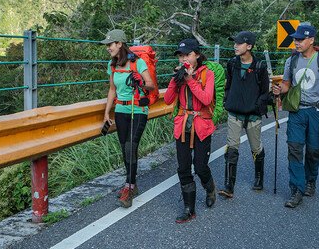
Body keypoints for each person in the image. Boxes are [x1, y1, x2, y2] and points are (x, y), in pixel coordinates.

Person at [272, 23, 319, 208]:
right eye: (295, 39)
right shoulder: (291, 61)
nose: (296, 42)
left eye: (301, 39)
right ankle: (297, 190)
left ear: (311, 40)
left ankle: (311, 180)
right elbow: (287, 84)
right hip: (297, 111)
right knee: (294, 149)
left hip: (316, 111)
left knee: (313, 150)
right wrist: (279, 89)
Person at [164, 38, 218, 223]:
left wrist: (190, 80)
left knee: (201, 166)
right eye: (180, 55)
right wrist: (175, 80)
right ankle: (189, 208)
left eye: (187, 54)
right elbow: (168, 100)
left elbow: (206, 98)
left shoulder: (207, 74)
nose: (183, 58)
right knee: (183, 167)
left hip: (201, 125)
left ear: (197, 55)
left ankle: (210, 188)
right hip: (183, 125)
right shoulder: (179, 74)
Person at [102, 29, 156, 208]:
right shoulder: (112, 65)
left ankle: (129, 186)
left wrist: (139, 80)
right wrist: (106, 113)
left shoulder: (137, 63)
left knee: (130, 146)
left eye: (110, 44)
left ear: (119, 44)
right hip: (121, 110)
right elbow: (112, 90)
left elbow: (151, 86)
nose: (108, 48)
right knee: (124, 148)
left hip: (138, 110)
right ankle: (132, 184)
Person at [219, 31, 271, 197]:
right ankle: (229, 186)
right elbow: (229, 85)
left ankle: (258, 177)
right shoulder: (232, 63)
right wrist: (227, 101)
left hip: (252, 116)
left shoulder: (259, 67)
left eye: (239, 43)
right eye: (235, 43)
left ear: (249, 46)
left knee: (256, 148)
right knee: (231, 149)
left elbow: (264, 92)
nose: (235, 46)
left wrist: (257, 106)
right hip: (234, 113)